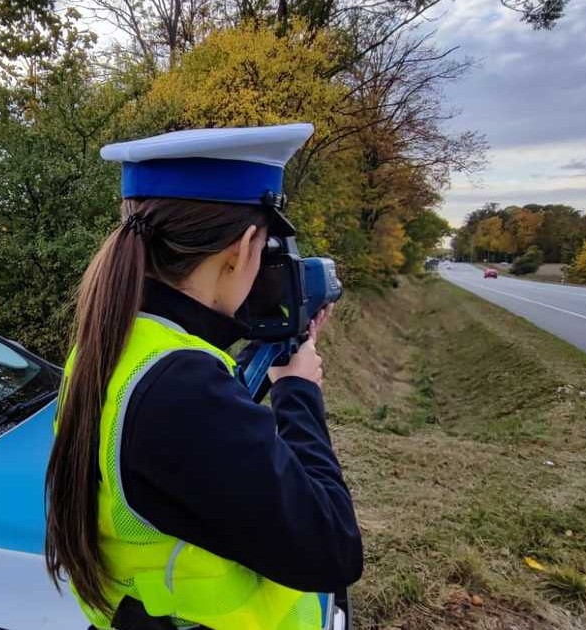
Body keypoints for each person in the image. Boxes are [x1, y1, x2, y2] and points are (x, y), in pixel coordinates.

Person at [45, 124, 363, 630]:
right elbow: (332, 549)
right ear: (242, 247)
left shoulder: (114, 344)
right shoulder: (180, 386)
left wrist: (274, 359)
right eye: (267, 249)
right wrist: (299, 393)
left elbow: (193, 461)